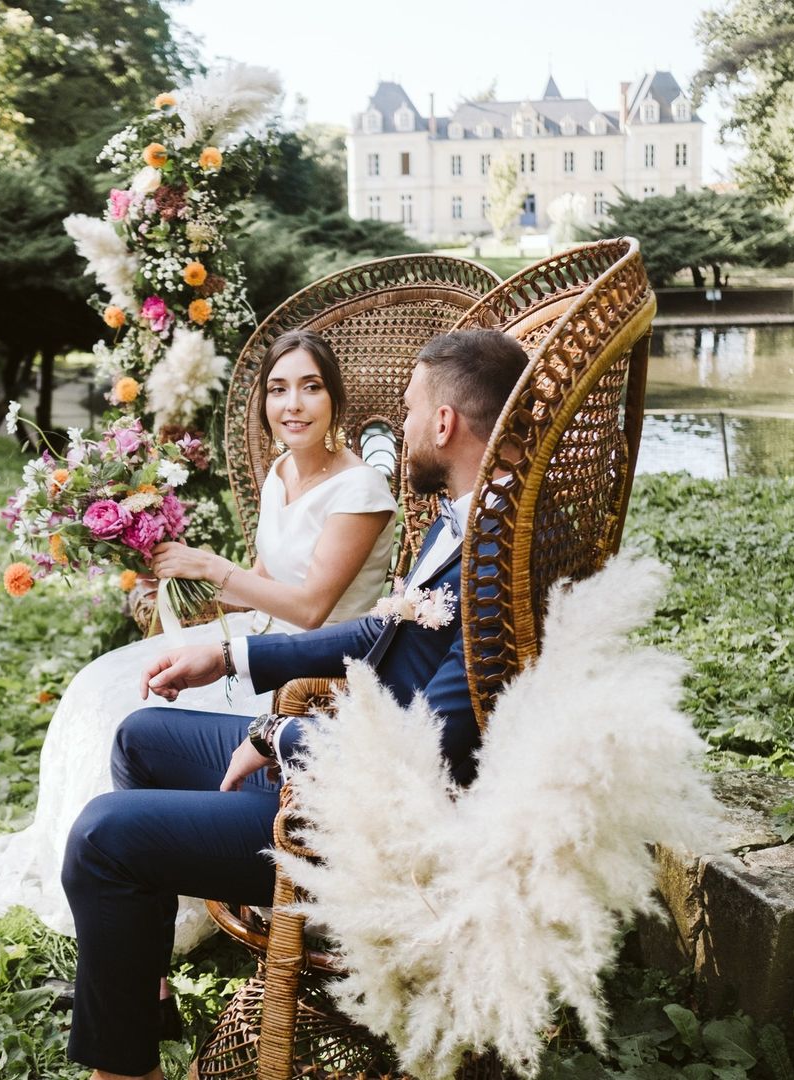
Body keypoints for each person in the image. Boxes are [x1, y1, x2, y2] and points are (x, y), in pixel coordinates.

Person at [59, 328, 530, 1078]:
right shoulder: (469, 520)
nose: (399, 428)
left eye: (409, 411)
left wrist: (282, 735)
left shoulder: (494, 560)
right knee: (139, 736)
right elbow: (383, 628)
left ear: (445, 424)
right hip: (338, 745)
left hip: (354, 808)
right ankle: (139, 992)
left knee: (100, 836)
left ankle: (123, 1069)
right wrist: (231, 652)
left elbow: (433, 751)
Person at [0, 329, 397, 953]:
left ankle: (157, 878)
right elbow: (269, 582)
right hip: (262, 632)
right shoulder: (280, 474)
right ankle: (126, 895)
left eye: (310, 388)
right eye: (278, 390)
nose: (292, 404)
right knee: (99, 689)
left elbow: (311, 604)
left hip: (316, 664)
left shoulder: (360, 491)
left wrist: (213, 567)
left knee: (140, 709)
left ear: (335, 401)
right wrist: (189, 590)